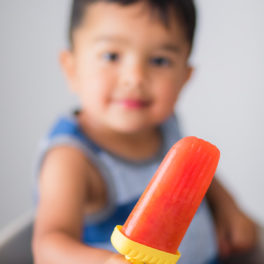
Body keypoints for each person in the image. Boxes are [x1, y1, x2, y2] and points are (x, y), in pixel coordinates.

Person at [32, 1, 257, 263]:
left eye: (159, 60)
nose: (135, 76)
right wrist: (105, 262)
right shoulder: (72, 158)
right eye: (111, 56)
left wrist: (227, 205)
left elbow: (192, 175)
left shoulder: (166, 124)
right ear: (71, 68)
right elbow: (47, 246)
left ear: (184, 78)